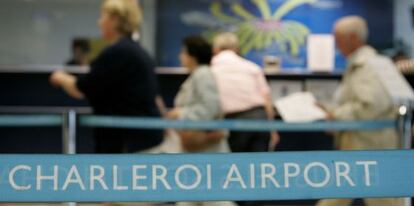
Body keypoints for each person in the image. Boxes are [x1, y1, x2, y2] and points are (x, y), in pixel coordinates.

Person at [50, 0, 163, 153]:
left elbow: (81, 88)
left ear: (115, 19)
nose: (99, 22)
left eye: (103, 16)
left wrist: (61, 77)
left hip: (127, 144)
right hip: (139, 141)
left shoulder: (118, 53)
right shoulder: (136, 51)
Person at [316, 16, 403, 206]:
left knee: (382, 199)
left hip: (369, 148)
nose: (336, 44)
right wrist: (333, 111)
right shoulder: (363, 64)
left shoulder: (368, 65)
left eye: (338, 38)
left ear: (353, 38)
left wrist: (337, 115)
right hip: (359, 146)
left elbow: (370, 105)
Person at [166, 36, 235, 206]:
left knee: (216, 200)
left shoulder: (203, 75)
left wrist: (180, 113)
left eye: (183, 52)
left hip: (208, 152)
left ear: (192, 55)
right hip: (195, 155)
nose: (180, 56)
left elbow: (210, 107)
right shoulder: (197, 76)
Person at [211, 32, 279, 153]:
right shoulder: (252, 67)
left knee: (235, 166)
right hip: (260, 119)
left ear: (215, 49)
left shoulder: (210, 70)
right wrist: (272, 129)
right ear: (236, 49)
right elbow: (266, 100)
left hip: (233, 122)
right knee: (259, 166)